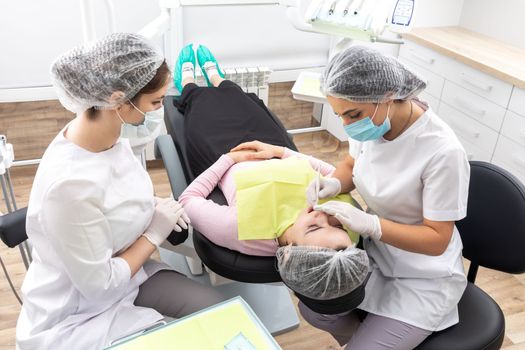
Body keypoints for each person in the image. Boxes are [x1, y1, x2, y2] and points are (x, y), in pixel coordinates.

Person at [16, 33, 223, 350]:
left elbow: (117, 195)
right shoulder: (69, 187)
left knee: (220, 314)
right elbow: (100, 288)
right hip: (78, 313)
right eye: (155, 103)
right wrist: (154, 234)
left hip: (129, 274)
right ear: (117, 99)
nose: (159, 112)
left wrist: (151, 207)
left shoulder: (112, 139)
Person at [302, 45, 470, 349]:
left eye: (354, 115)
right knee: (315, 309)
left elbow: (437, 239)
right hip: (377, 257)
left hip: (423, 278)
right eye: (340, 115)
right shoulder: (374, 123)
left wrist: (372, 225)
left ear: (389, 96)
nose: (348, 126)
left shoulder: (442, 152)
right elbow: (352, 166)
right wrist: (332, 184)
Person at [173, 44, 369, 301]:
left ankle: (187, 81)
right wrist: (281, 151)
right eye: (334, 222)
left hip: (223, 148)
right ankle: (216, 76)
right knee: (242, 99)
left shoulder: (238, 229)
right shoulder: (346, 227)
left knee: (200, 101)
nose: (320, 214)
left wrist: (229, 158)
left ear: (288, 252)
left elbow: (187, 201)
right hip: (273, 145)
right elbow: (334, 172)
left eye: (313, 228)